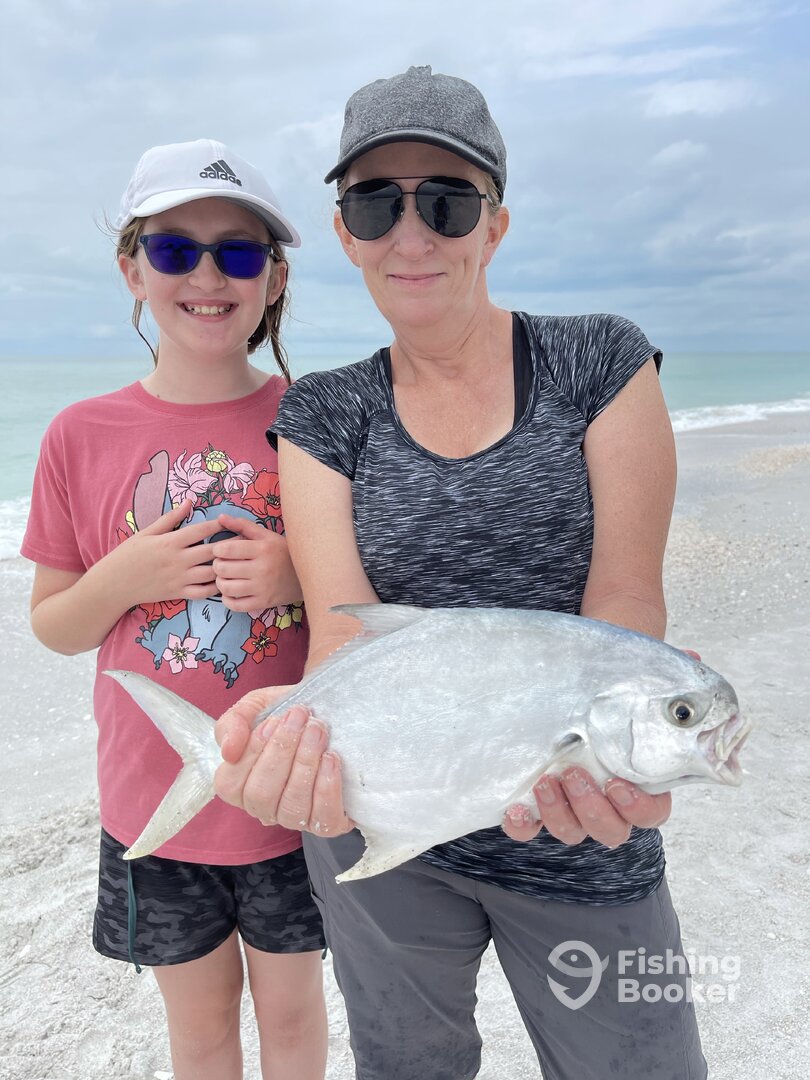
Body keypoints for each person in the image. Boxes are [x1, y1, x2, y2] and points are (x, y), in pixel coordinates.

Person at [215, 66, 707, 1079]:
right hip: (381, 831)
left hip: (578, 821)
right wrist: (301, 752)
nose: (412, 235)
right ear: (345, 234)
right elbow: (346, 633)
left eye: (446, 200)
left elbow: (623, 603)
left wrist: (623, 753)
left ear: (496, 224)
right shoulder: (323, 413)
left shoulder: (601, 363)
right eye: (375, 204)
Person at [21, 139, 327, 1080]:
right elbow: (56, 625)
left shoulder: (319, 420)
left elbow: (368, 602)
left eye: (237, 252)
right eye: (174, 250)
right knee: (198, 1031)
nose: (207, 275)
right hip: (153, 803)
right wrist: (126, 576)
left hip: (294, 793)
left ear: (274, 278)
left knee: (294, 1017)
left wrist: (295, 577)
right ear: (133, 271)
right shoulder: (79, 434)